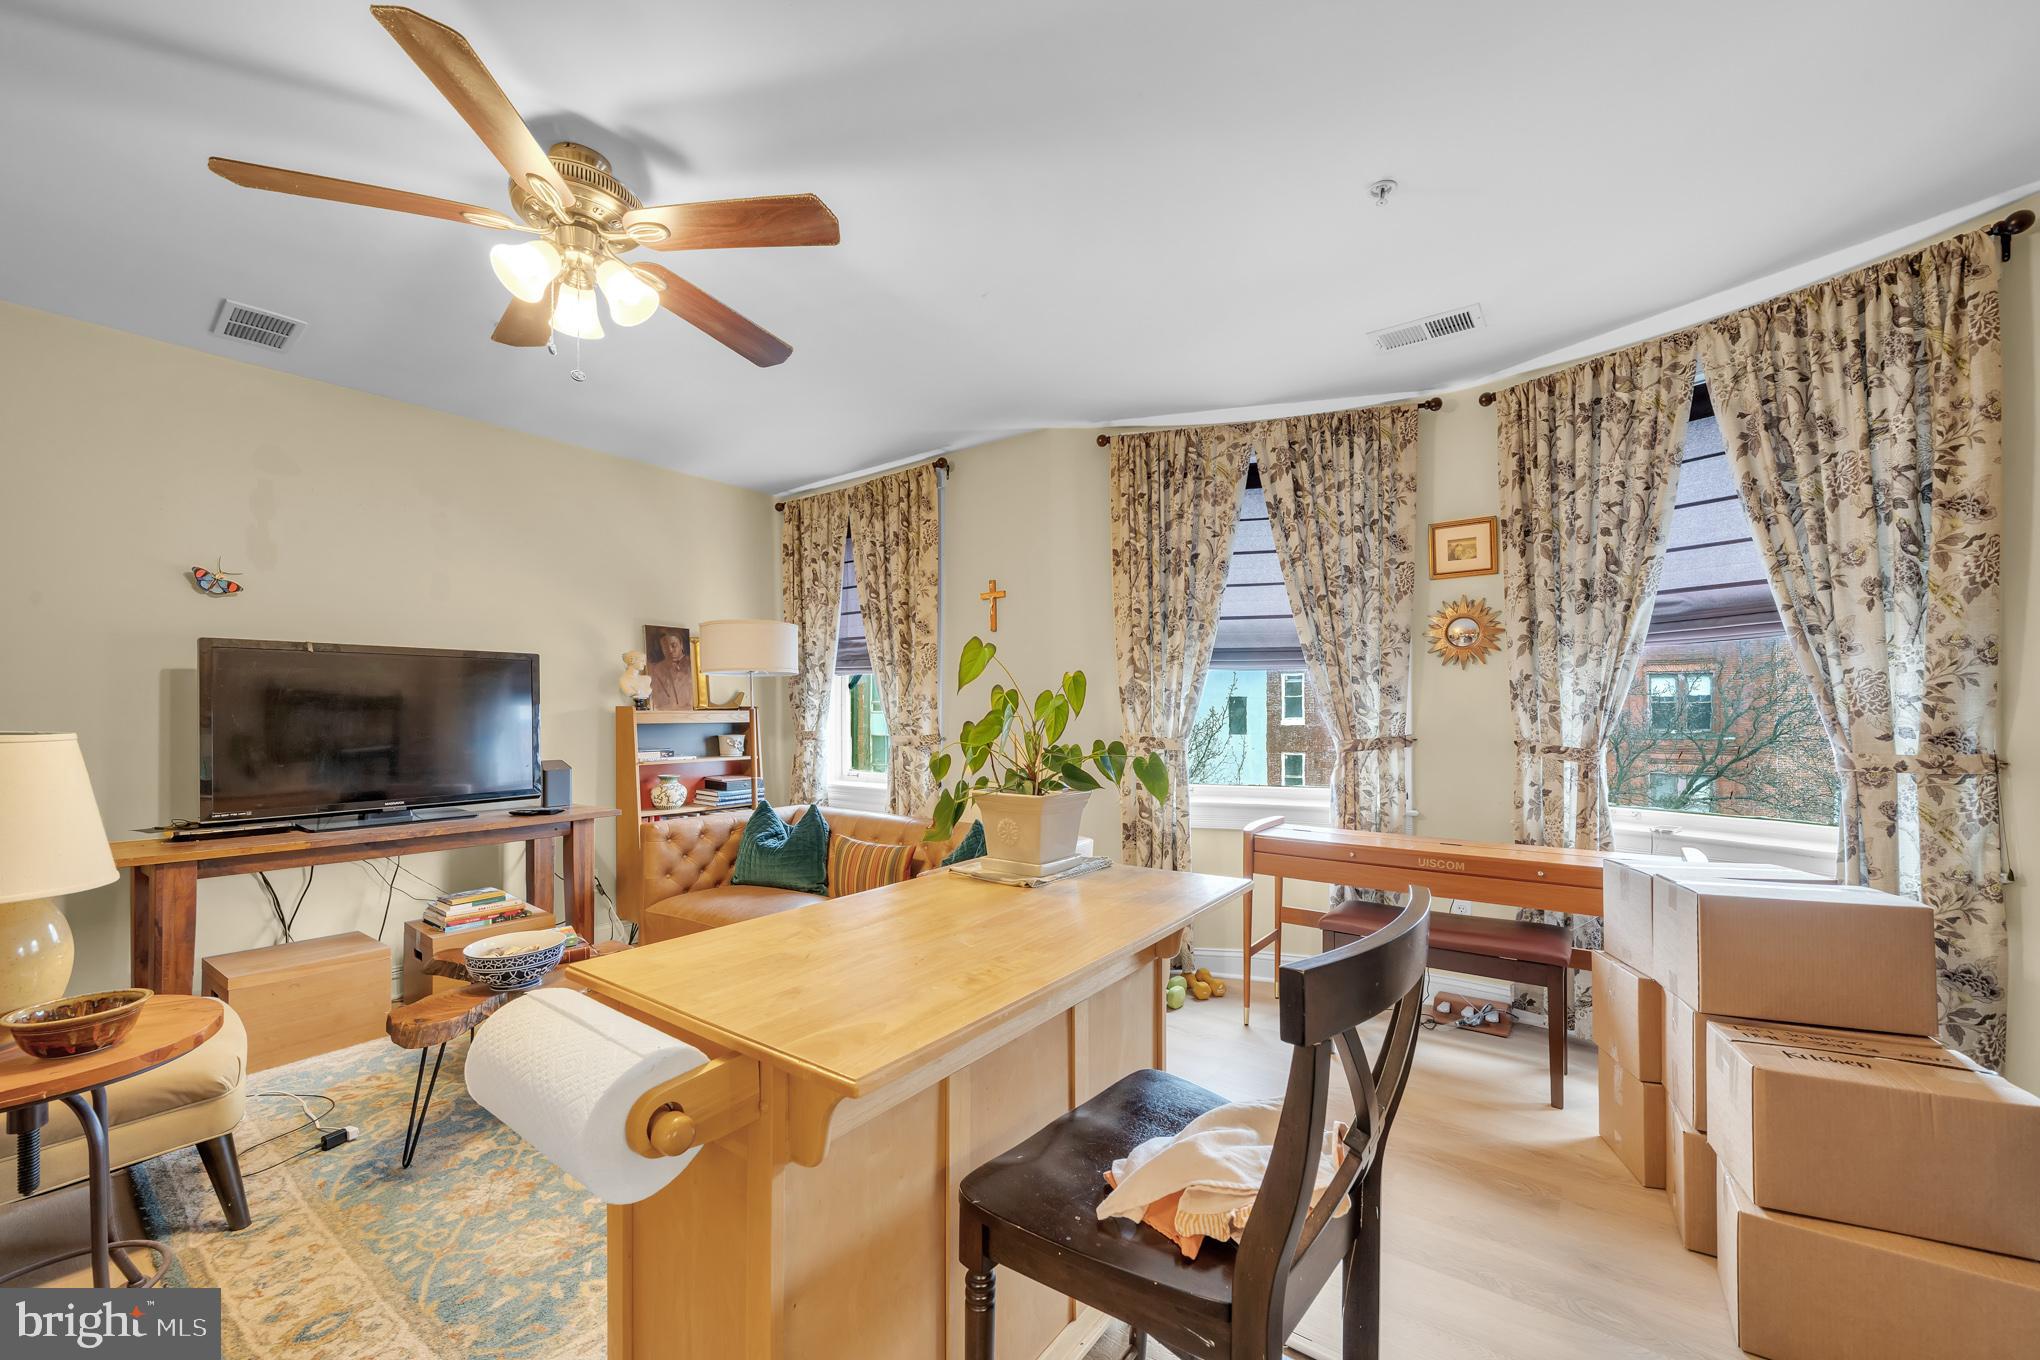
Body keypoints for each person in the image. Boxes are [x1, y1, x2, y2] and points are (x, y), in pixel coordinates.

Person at [647, 629, 693, 710]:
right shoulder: (657, 669)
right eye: (665, 647)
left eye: (673, 645)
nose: (670, 650)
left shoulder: (693, 664)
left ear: (681, 645)